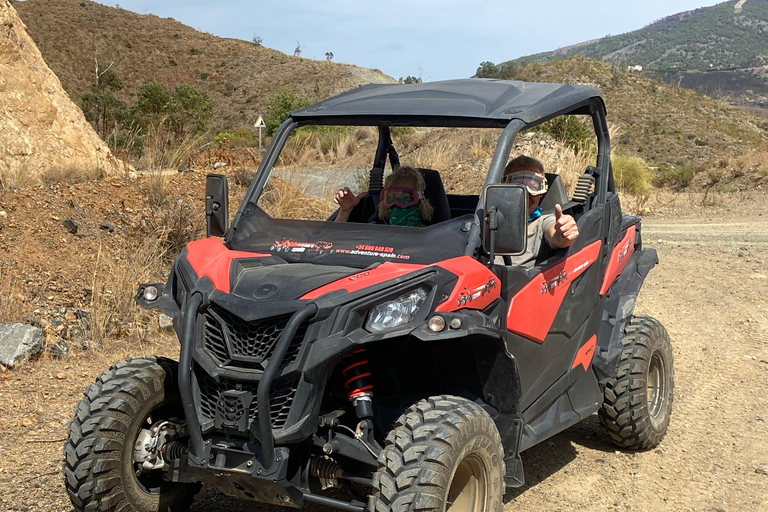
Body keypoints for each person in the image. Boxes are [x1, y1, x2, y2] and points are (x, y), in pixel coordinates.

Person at [502, 155, 579, 267]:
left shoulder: (543, 222)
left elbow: (555, 236)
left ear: (541, 194)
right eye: (517, 185)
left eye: (532, 187)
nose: (525, 194)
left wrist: (564, 233)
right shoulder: (487, 218)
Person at [334, 166, 434, 227]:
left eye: (405, 197)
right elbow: (332, 242)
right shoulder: (378, 227)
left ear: (419, 200)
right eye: (391, 197)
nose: (397, 203)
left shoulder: (429, 234)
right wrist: (345, 211)